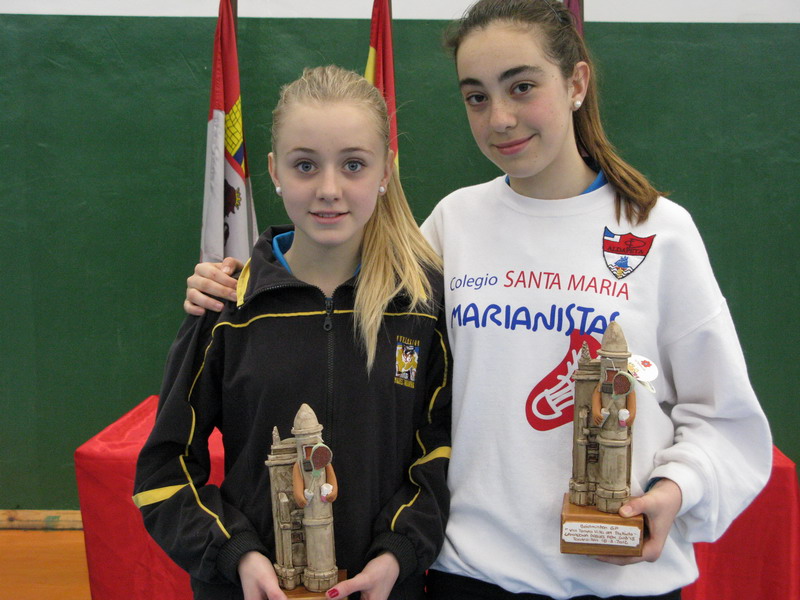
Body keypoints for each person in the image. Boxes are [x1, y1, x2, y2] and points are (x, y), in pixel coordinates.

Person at [181, 1, 773, 599]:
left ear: (576, 83)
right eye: (476, 96)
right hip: (468, 578)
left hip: (624, 577)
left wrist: (676, 490)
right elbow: (328, 284)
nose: (501, 118)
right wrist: (238, 278)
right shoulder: (450, 226)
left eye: (521, 86)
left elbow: (723, 421)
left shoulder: (658, 232)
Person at [134, 64, 452, 600]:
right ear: (273, 171)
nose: (329, 189)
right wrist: (236, 555)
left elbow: (440, 452)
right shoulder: (226, 308)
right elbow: (164, 473)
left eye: (353, 164)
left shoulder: (420, 306)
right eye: (305, 165)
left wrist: (399, 553)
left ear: (385, 171)